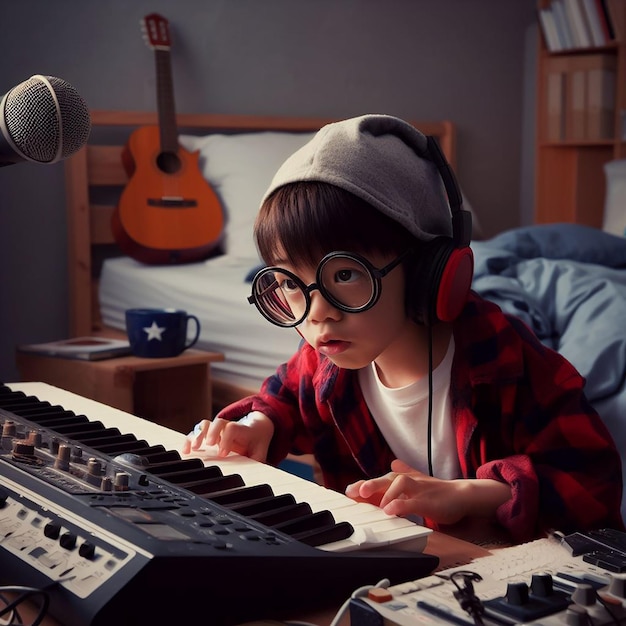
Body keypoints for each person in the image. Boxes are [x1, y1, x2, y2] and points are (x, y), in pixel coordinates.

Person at [183, 114, 624, 543]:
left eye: (345, 275)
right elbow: (283, 401)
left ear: (427, 272)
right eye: (288, 284)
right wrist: (258, 425)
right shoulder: (323, 359)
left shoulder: (506, 357)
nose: (316, 314)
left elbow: (593, 483)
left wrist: (476, 495)